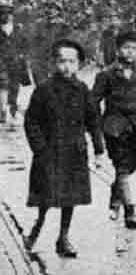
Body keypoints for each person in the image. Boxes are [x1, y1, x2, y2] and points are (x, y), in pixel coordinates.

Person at [23, 38, 104, 256]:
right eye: (61, 61)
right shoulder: (44, 90)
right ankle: (38, 225)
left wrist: (98, 150)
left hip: (74, 151)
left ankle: (63, 237)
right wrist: (40, 149)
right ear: (54, 63)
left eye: (71, 61)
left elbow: (93, 120)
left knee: (71, 196)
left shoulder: (82, 89)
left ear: (78, 64)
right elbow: (31, 121)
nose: (66, 66)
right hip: (49, 151)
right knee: (46, 195)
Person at [92, 32, 136, 229]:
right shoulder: (107, 73)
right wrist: (98, 124)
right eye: (126, 48)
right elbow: (93, 100)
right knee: (122, 166)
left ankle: (116, 193)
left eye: (134, 48)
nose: (130, 52)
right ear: (118, 50)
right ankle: (130, 211)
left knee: (132, 166)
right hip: (114, 126)